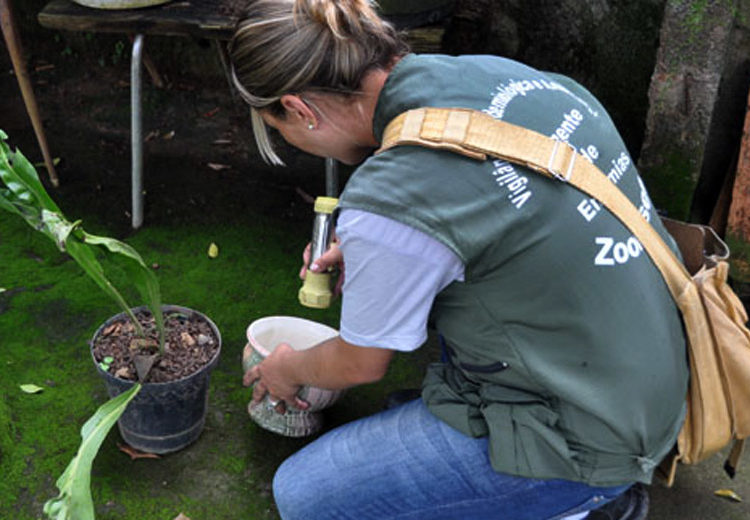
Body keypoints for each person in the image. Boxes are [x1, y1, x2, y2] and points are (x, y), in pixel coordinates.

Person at [230, 1, 689, 518]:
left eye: (280, 129)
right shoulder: (504, 77)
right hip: (650, 374)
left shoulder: (392, 193)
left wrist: (287, 369)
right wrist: (380, 256)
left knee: (305, 496)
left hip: (588, 440)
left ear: (300, 110)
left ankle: (579, 505)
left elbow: (360, 363)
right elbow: (503, 222)